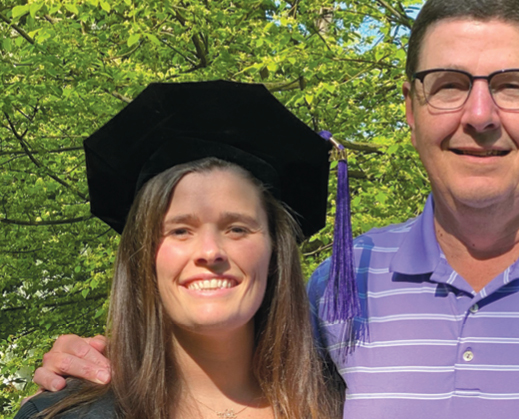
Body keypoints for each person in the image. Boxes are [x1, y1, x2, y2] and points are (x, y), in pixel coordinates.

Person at [31, 0, 519, 418]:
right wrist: (100, 368)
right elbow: (203, 357)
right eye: (447, 83)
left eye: (512, 84)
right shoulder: (335, 293)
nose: (478, 114)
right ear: (412, 109)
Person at [16, 81, 341, 419]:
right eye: (180, 230)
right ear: (142, 256)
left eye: (237, 229)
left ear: (275, 252)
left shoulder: (346, 405)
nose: (210, 251)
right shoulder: (64, 416)